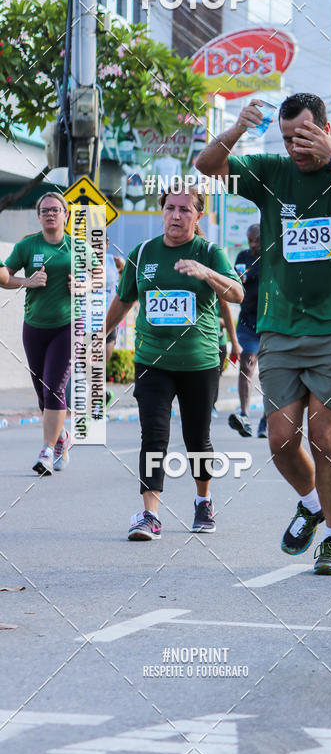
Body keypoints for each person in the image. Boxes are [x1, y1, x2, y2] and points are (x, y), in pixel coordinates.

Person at [195, 92, 331, 575]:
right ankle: (313, 506)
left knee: (323, 437)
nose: (295, 148)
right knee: (280, 441)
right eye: (287, 138)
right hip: (280, 324)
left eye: (303, 136)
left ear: (324, 129)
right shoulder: (271, 172)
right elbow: (207, 165)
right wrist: (237, 128)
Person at [104, 185, 243, 540]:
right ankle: (150, 515)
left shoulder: (210, 251)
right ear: (162, 211)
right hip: (152, 360)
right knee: (154, 435)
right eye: (170, 208)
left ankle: (203, 500)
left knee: (197, 437)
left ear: (198, 217)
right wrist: (98, 335)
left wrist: (206, 273)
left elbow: (237, 293)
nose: (176, 215)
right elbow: (124, 300)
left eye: (185, 210)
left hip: (199, 362)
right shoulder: (143, 253)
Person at [3, 192, 73, 475]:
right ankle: (62, 438)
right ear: (39, 215)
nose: (50, 214)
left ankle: (46, 451)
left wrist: (83, 282)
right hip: (34, 327)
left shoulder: (77, 248)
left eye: (56, 209)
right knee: (42, 395)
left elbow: (98, 275)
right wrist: (27, 281)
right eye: (45, 210)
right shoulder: (27, 245)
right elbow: (3, 275)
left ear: (66, 215)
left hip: (67, 326)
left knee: (54, 386)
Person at [228, 223, 267, 439]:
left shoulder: (272, 257)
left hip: (270, 321)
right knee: (247, 363)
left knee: (270, 372)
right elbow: (234, 286)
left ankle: (267, 419)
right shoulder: (242, 256)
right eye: (249, 240)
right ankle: (244, 414)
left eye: (257, 240)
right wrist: (237, 281)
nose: (252, 245)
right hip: (247, 321)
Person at [105, 235, 125, 408]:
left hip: (109, 320)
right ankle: (100, 396)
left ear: (106, 244)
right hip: (87, 321)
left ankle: (100, 398)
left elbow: (128, 280)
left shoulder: (114, 262)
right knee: (86, 364)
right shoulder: (80, 262)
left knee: (101, 361)